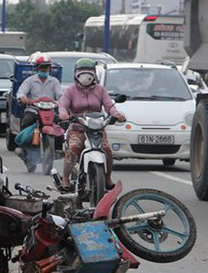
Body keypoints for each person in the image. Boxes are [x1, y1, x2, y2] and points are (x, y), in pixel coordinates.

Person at [58, 58, 126, 191]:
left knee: (107, 152)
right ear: (75, 74)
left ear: (94, 74)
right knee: (72, 151)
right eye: (81, 72)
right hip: (78, 129)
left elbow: (109, 105)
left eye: (89, 72)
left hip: (97, 130)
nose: (85, 75)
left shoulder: (100, 90)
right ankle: (65, 179)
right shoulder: (70, 91)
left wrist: (116, 115)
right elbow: (62, 105)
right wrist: (64, 115)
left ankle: (107, 178)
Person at [14, 54, 62, 163]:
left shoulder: (54, 82)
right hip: (33, 110)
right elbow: (21, 93)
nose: (45, 69)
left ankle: (58, 149)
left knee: (61, 122)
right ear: (37, 68)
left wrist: (62, 102)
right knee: (27, 120)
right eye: (42, 67)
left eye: (47, 67)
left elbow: (61, 96)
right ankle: (24, 148)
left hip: (50, 111)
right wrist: (23, 98)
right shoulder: (30, 81)